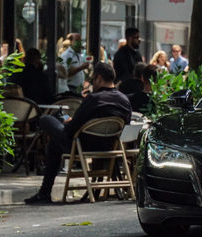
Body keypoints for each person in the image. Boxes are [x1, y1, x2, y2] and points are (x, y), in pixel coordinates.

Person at [24, 62, 132, 204]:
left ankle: (44, 192)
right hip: (110, 147)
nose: (93, 83)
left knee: (45, 119)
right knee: (54, 145)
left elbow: (71, 129)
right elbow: (126, 126)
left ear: (99, 78)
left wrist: (67, 121)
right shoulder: (125, 100)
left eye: (93, 80)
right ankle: (44, 192)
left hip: (82, 146)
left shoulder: (94, 99)